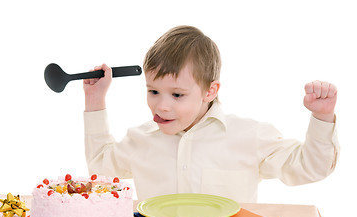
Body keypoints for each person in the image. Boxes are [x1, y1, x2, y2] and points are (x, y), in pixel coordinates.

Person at [83, 25, 339, 202]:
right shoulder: (140, 140)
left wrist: (322, 117)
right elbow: (100, 167)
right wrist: (95, 100)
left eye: (177, 95)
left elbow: (311, 168)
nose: (161, 106)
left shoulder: (248, 135)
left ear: (210, 91)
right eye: (153, 91)